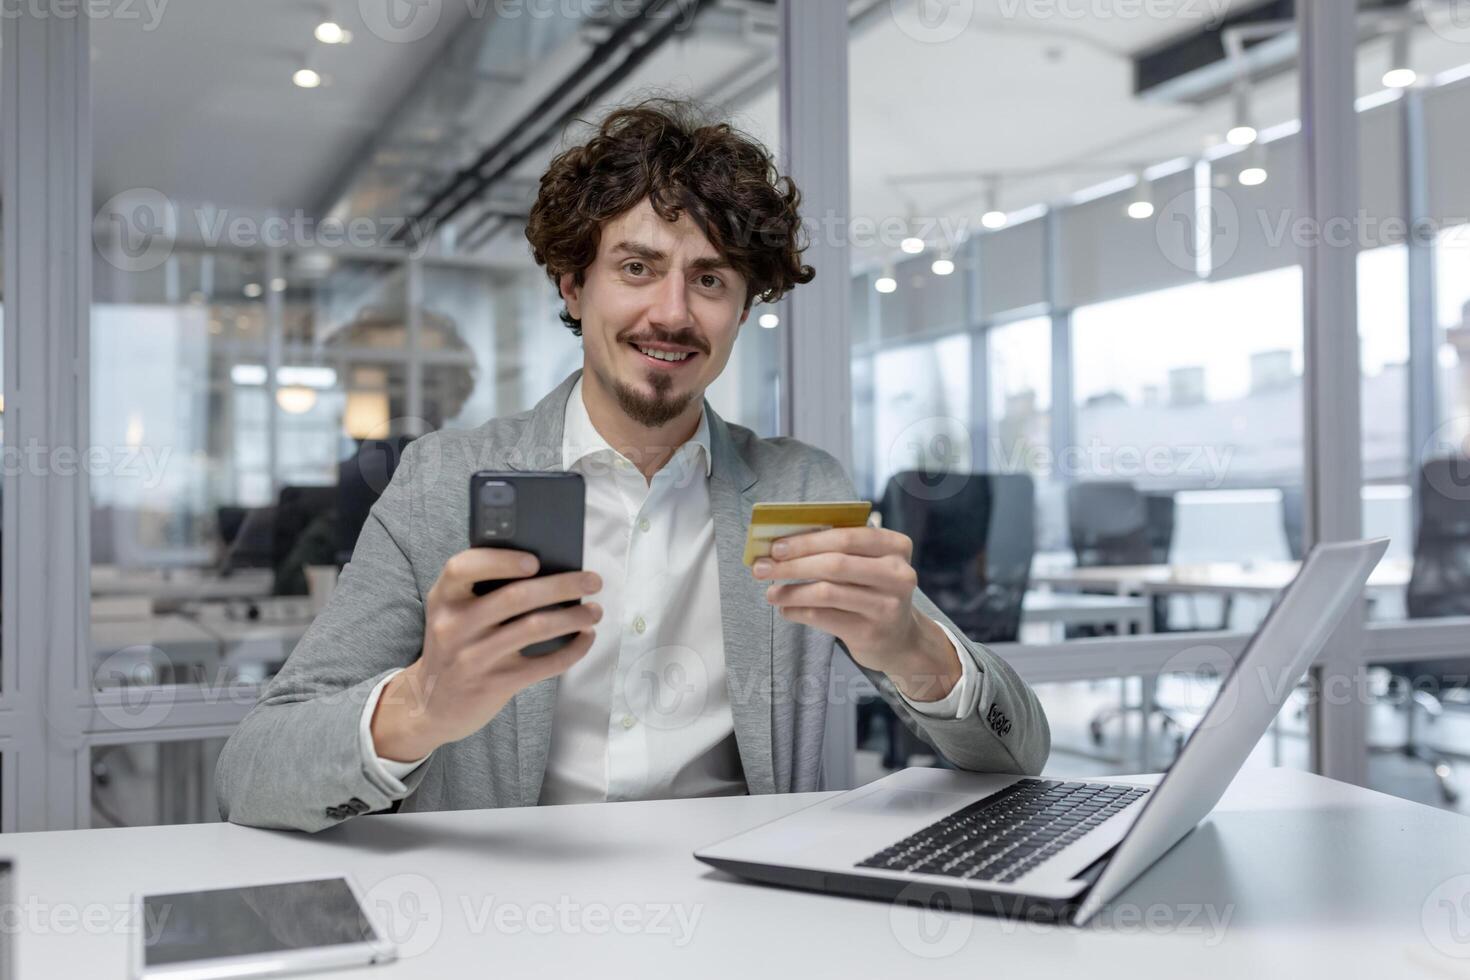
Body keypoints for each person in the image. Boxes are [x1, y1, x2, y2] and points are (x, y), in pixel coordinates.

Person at [216, 98, 1049, 832]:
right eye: (637, 267)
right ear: (574, 285)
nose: (673, 313)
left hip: (746, 913)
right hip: (501, 923)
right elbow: (252, 774)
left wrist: (913, 648)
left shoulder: (801, 488)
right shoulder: (442, 482)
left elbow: (1021, 751)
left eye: (711, 279)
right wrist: (422, 704)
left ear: (742, 309)